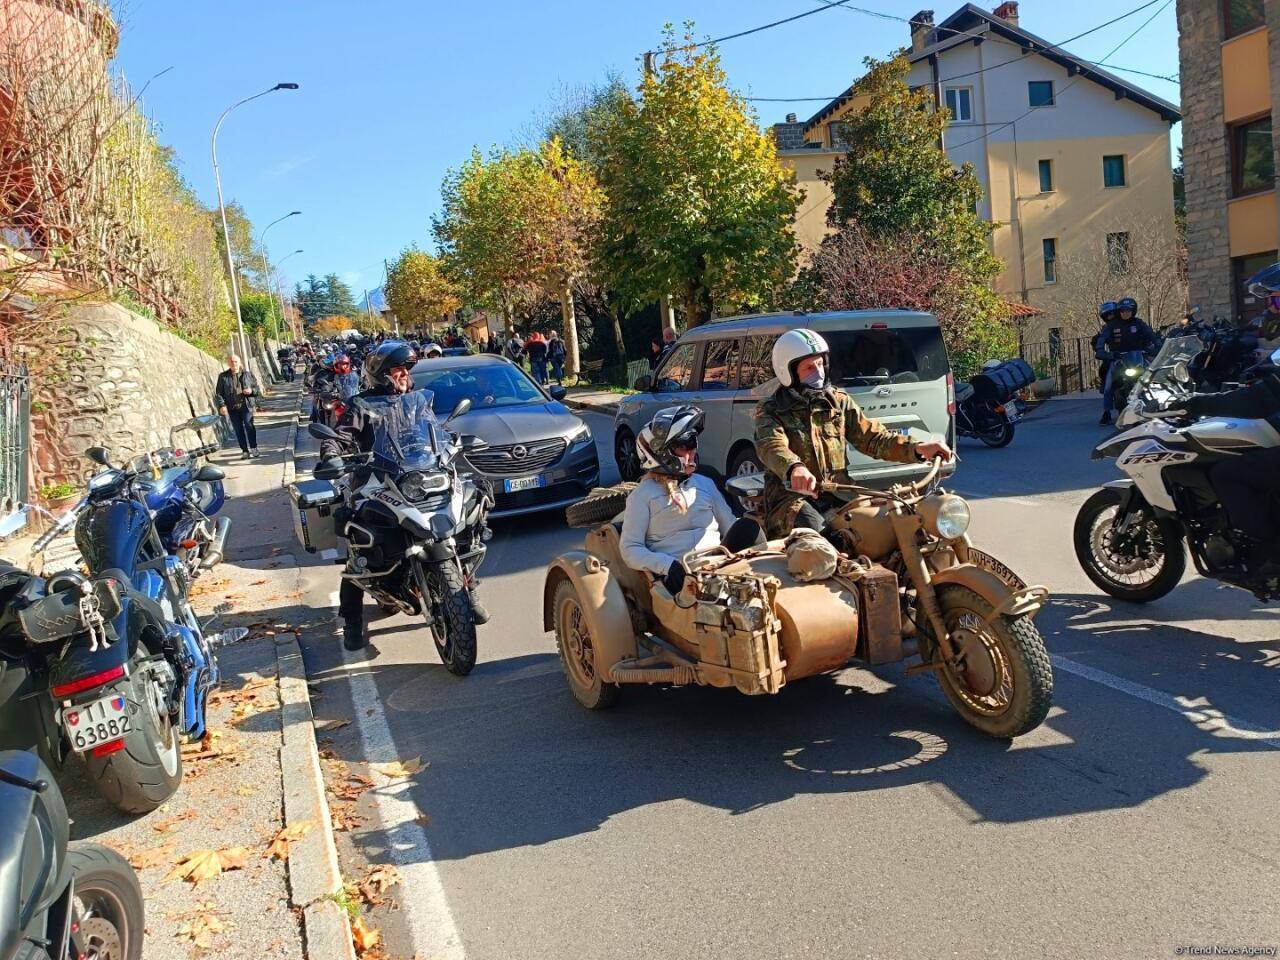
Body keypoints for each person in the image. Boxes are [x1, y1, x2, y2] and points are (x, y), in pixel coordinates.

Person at [754, 329, 953, 538]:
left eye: (821, 364)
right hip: (793, 501)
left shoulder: (838, 401)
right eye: (809, 367)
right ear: (789, 372)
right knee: (822, 540)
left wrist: (918, 449)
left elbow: (872, 438)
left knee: (888, 529)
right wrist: (794, 468)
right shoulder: (771, 409)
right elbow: (771, 446)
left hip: (841, 494)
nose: (818, 372)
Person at [620, 405, 763, 596]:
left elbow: (729, 526)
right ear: (661, 452)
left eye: (693, 444)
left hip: (717, 564)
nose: (693, 451)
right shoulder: (642, 495)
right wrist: (667, 565)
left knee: (748, 527)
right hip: (679, 575)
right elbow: (629, 549)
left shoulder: (706, 483)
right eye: (684, 446)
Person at [1094, 296, 1159, 425]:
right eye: (1123, 311)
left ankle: (1159, 406)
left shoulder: (1139, 323)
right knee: (1108, 386)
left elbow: (1151, 335)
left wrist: (1159, 345)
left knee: (1155, 378)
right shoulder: (1112, 326)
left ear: (1133, 311)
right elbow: (1101, 340)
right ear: (1119, 311)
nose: (1125, 313)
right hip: (1118, 359)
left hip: (1138, 357)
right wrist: (1102, 351)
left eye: (1128, 311)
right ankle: (1106, 412)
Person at [215, 353, 261, 459]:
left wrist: (251, 391)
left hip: (246, 406)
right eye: (231, 361)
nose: (233, 363)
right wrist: (222, 405)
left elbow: (256, 389)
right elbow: (219, 393)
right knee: (238, 429)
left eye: (235, 361)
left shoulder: (247, 374)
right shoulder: (223, 377)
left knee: (249, 426)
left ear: (239, 363)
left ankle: (254, 448)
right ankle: (245, 451)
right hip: (232, 408)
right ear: (228, 363)